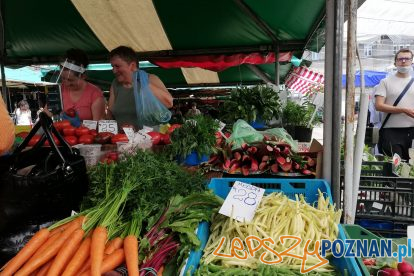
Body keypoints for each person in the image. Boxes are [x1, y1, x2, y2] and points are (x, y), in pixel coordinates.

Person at [107, 46, 173, 130]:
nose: (114, 71)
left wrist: (142, 82)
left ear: (132, 66)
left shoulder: (150, 78)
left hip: (150, 140)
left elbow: (169, 102)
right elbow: (110, 113)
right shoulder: (115, 84)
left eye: (117, 66)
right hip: (122, 140)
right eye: (112, 66)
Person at [375, 48, 414, 161]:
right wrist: (403, 110)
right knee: (394, 167)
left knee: (411, 169)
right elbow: (379, 105)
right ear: (395, 62)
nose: (403, 61)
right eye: (400, 59)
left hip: (412, 131)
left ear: (412, 61)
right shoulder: (385, 82)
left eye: (407, 59)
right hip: (391, 131)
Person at [59, 48, 105, 123]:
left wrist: (80, 126)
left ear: (83, 76)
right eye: (63, 78)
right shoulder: (59, 90)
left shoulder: (94, 94)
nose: (66, 83)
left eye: (71, 80)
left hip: (86, 134)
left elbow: (98, 125)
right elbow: (47, 115)